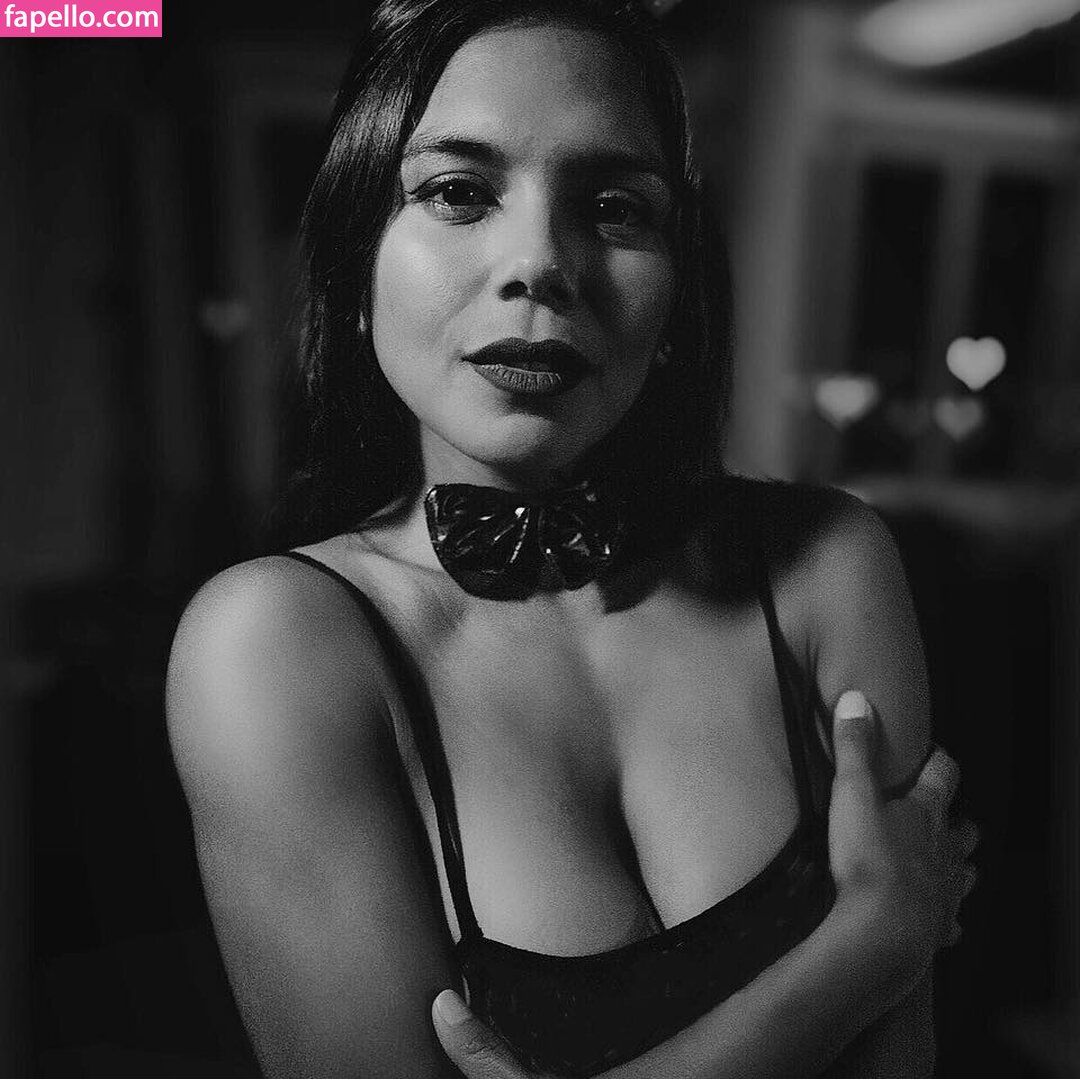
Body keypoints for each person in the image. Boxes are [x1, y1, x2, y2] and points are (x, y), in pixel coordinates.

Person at [166, 1, 978, 1076]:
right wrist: (865, 947)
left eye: (614, 207)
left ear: (678, 291)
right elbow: (882, 970)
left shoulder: (830, 562)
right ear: (357, 267)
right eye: (459, 192)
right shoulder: (271, 645)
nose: (540, 263)